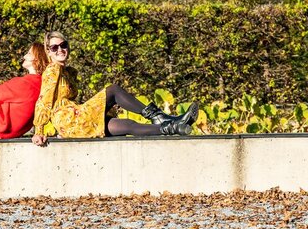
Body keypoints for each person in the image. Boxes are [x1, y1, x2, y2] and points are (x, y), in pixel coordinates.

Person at [31, 30, 197, 147]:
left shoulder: (68, 72)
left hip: (73, 122)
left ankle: (173, 127)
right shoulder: (52, 70)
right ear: (49, 52)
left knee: (126, 125)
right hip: (70, 120)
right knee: (113, 90)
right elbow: (44, 100)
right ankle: (161, 117)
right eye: (54, 48)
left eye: (63, 45)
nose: (60, 50)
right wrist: (38, 130)